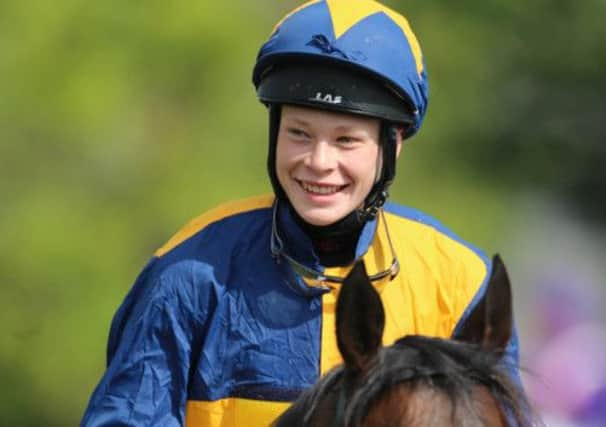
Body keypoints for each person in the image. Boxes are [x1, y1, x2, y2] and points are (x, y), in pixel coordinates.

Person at [81, 1, 523, 426]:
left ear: (394, 144)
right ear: (275, 131)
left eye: (346, 140)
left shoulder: (463, 283)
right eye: (299, 133)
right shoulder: (187, 273)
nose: (318, 161)